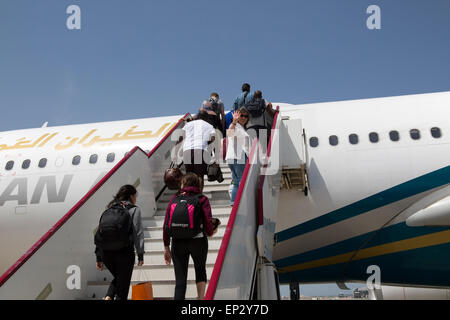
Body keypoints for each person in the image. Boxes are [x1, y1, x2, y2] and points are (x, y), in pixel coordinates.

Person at [163, 173, 216, 300]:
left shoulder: (175, 198)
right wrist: (210, 232)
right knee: (200, 270)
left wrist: (166, 246)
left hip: (178, 242)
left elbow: (166, 223)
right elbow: (208, 223)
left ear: (184, 184)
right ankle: (201, 299)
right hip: (198, 241)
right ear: (198, 184)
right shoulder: (202, 199)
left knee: (180, 281)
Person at [95, 184, 145, 300]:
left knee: (119, 278)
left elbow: (99, 232)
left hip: (106, 253)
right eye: (135, 196)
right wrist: (140, 254)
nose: (136, 199)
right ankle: (110, 297)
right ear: (131, 196)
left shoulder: (109, 209)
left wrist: (98, 257)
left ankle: (108, 297)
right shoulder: (134, 210)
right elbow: (138, 233)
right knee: (123, 285)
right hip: (124, 252)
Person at [182, 110, 217, 189]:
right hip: (201, 150)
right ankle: (199, 195)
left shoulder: (188, 125)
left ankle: (188, 195)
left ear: (197, 117)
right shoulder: (209, 126)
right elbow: (213, 139)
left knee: (189, 175)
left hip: (187, 150)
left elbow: (181, 137)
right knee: (199, 175)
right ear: (206, 118)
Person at [226, 107, 250, 206]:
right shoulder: (236, 126)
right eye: (242, 115)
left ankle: (234, 202)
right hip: (238, 157)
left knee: (236, 182)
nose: (244, 118)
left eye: (246, 116)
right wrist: (234, 122)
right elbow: (229, 133)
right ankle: (241, 203)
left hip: (233, 156)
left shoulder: (241, 128)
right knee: (241, 180)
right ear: (237, 116)